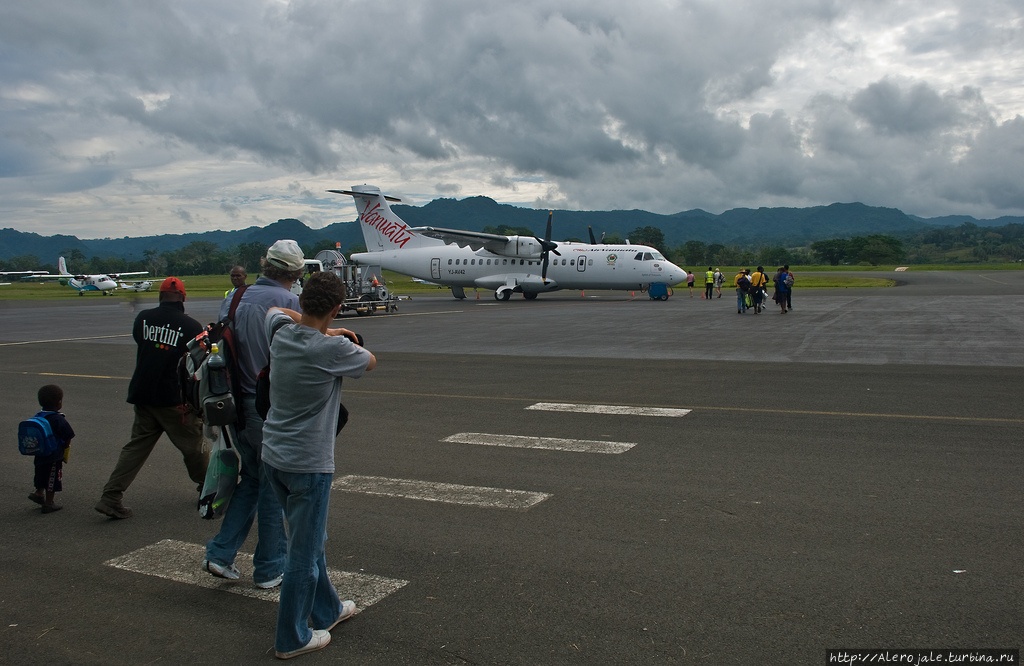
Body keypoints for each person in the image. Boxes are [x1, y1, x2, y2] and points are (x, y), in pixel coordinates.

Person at [261, 271, 376, 659]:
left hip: (274, 454)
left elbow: (276, 310)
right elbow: (370, 361)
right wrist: (338, 334)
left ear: (303, 301)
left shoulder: (279, 333)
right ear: (337, 308)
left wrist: (324, 327)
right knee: (303, 555)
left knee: (309, 541)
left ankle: (325, 609)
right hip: (308, 463)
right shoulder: (331, 350)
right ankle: (291, 637)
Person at [204, 240, 305, 588]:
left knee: (253, 479)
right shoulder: (289, 303)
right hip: (269, 406)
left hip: (234, 405)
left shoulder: (233, 298)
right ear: (295, 272)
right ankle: (270, 567)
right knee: (274, 489)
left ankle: (220, 552)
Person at [95, 277, 207, 519]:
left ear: (160, 296)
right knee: (194, 447)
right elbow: (198, 362)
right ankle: (208, 490)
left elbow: (140, 341)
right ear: (183, 298)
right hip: (173, 399)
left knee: (135, 449)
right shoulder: (191, 326)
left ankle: (111, 496)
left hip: (144, 394)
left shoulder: (143, 318)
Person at [28, 385, 75, 514]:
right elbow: (69, 435)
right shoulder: (58, 419)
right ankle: (49, 503)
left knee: (40, 473)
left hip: (40, 453)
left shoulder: (39, 416)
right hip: (54, 455)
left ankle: (38, 492)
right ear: (59, 402)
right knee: (52, 478)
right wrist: (66, 448)